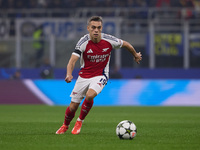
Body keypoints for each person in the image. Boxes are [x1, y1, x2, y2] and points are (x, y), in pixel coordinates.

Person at [56, 16, 142, 135]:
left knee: (90, 95)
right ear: (88, 28)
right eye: (93, 27)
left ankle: (79, 121)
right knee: (73, 107)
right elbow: (72, 61)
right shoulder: (83, 42)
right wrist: (69, 74)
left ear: (101, 28)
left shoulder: (109, 40)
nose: (96, 30)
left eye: (99, 27)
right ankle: (65, 125)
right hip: (84, 76)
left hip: (100, 75)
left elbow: (126, 44)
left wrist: (135, 55)